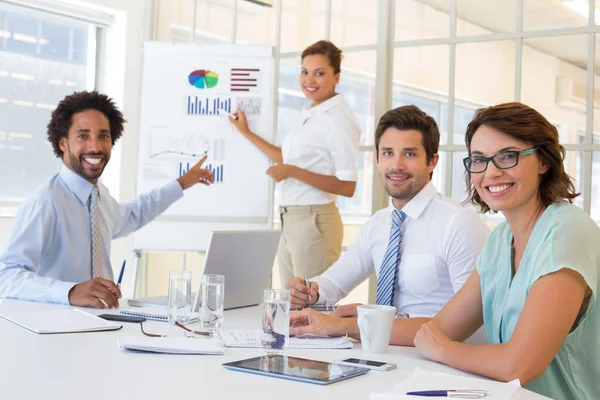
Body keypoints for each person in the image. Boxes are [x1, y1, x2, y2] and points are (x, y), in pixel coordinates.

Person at [293, 102, 600, 400]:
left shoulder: (567, 232)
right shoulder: (500, 241)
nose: (490, 172)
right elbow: (438, 328)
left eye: (508, 156)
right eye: (479, 159)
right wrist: (342, 325)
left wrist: (443, 349)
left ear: (544, 161)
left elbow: (517, 364)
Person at [0, 91, 214, 309]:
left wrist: (181, 184)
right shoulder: (46, 202)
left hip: (103, 323)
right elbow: (7, 277)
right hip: (60, 332)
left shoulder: (99, 196)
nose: (95, 147)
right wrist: (69, 291)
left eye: (103, 136)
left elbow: (133, 215)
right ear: (63, 143)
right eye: (83, 136)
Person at [287, 105, 490, 331]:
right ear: (377, 159)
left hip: (437, 359)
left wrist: (377, 320)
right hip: (383, 353)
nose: (397, 165)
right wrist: (309, 292)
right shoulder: (379, 224)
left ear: (432, 162)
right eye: (388, 153)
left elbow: (476, 321)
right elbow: (334, 282)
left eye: (410, 154)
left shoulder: (460, 223)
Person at [229, 40, 361, 286]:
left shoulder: (339, 120)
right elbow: (285, 159)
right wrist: (245, 132)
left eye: (319, 73)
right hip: (290, 220)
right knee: (290, 307)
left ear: (336, 77)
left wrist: (291, 171)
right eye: (304, 72)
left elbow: (347, 186)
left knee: (312, 308)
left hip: (315, 221)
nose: (309, 80)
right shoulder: (310, 114)